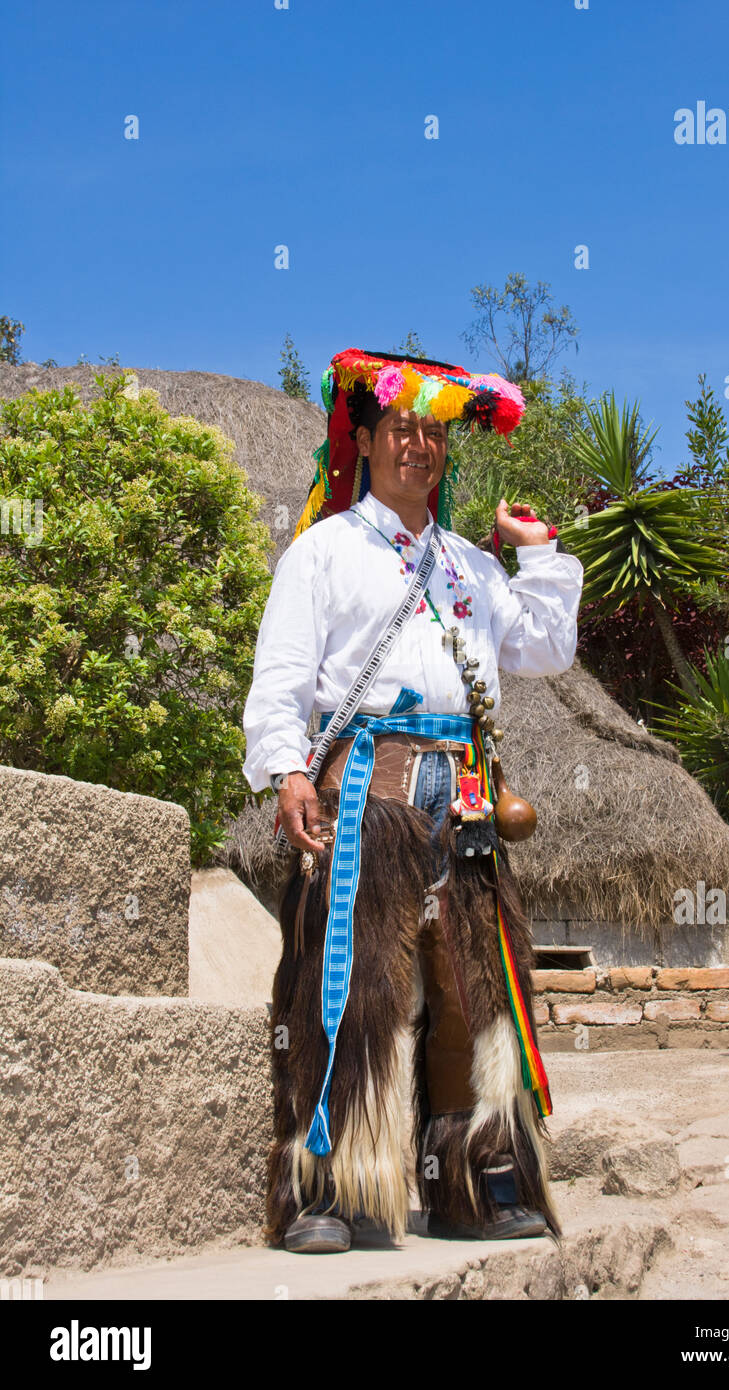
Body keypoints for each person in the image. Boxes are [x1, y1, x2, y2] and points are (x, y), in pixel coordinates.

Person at [242, 347, 583, 1254]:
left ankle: (478, 1185)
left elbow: (545, 648)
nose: (418, 446)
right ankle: (330, 1194)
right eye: (402, 428)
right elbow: (280, 679)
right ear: (367, 439)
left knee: (476, 992)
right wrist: (285, 771)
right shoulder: (321, 550)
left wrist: (539, 553)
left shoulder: (470, 564)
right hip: (368, 787)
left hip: (465, 795)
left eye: (433, 433)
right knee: (353, 989)